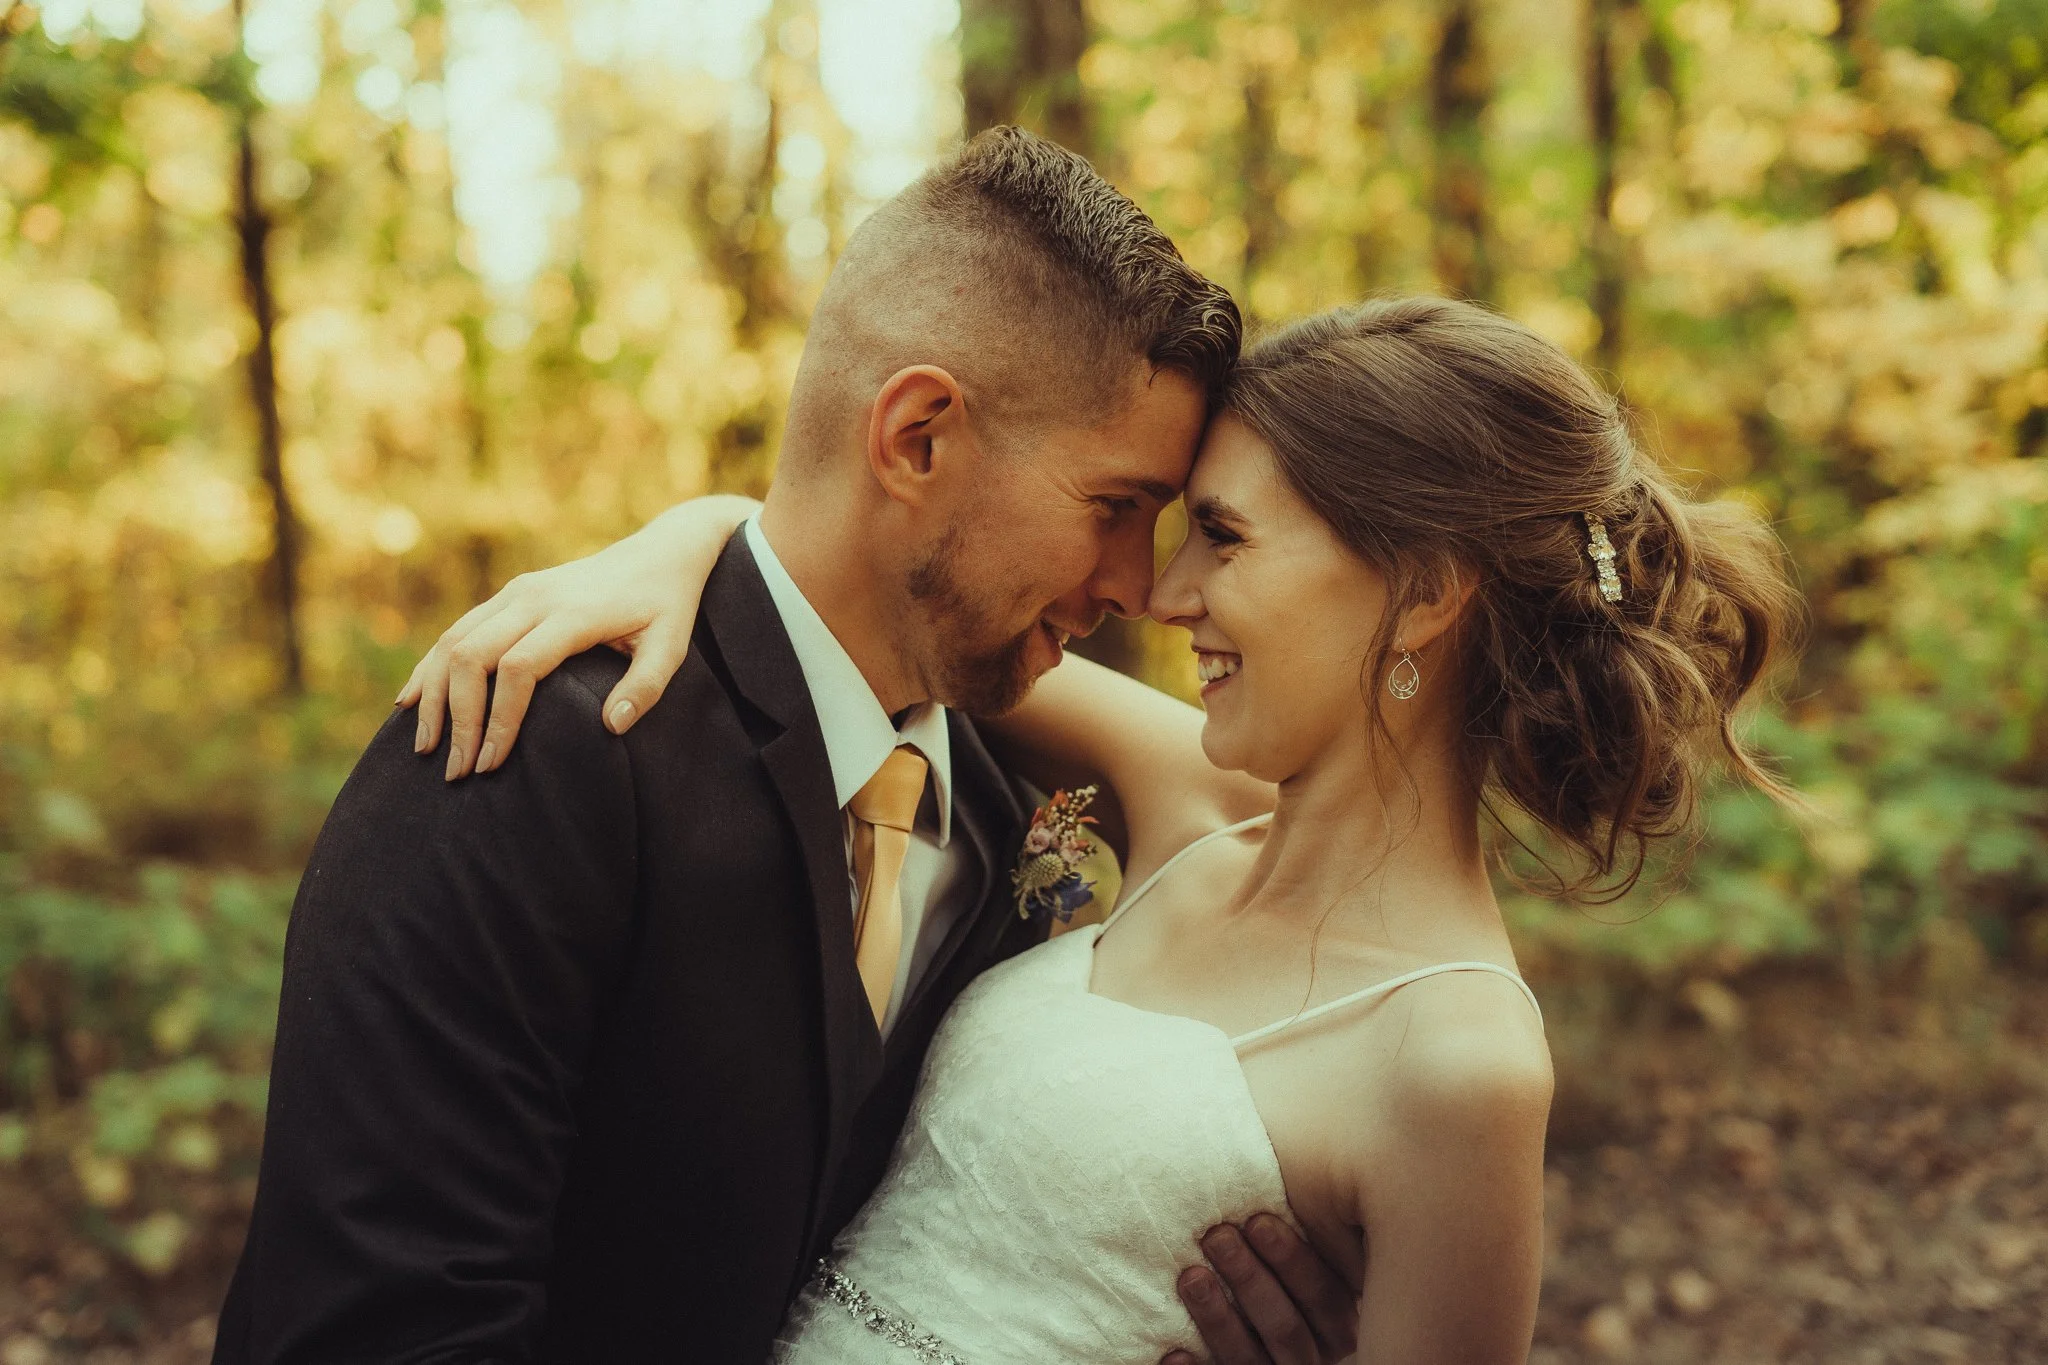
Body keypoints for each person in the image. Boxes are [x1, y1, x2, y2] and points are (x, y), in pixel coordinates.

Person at [403, 294, 1801, 1362]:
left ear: (1425, 590)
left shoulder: (1460, 1064)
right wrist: (685, 534)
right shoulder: (1189, 792)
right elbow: (848, 601)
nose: (1164, 591)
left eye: (1226, 539)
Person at [215, 127, 1350, 1365]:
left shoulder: (997, 817)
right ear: (917, 437)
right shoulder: (528, 750)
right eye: (1114, 509)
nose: (1137, 585)